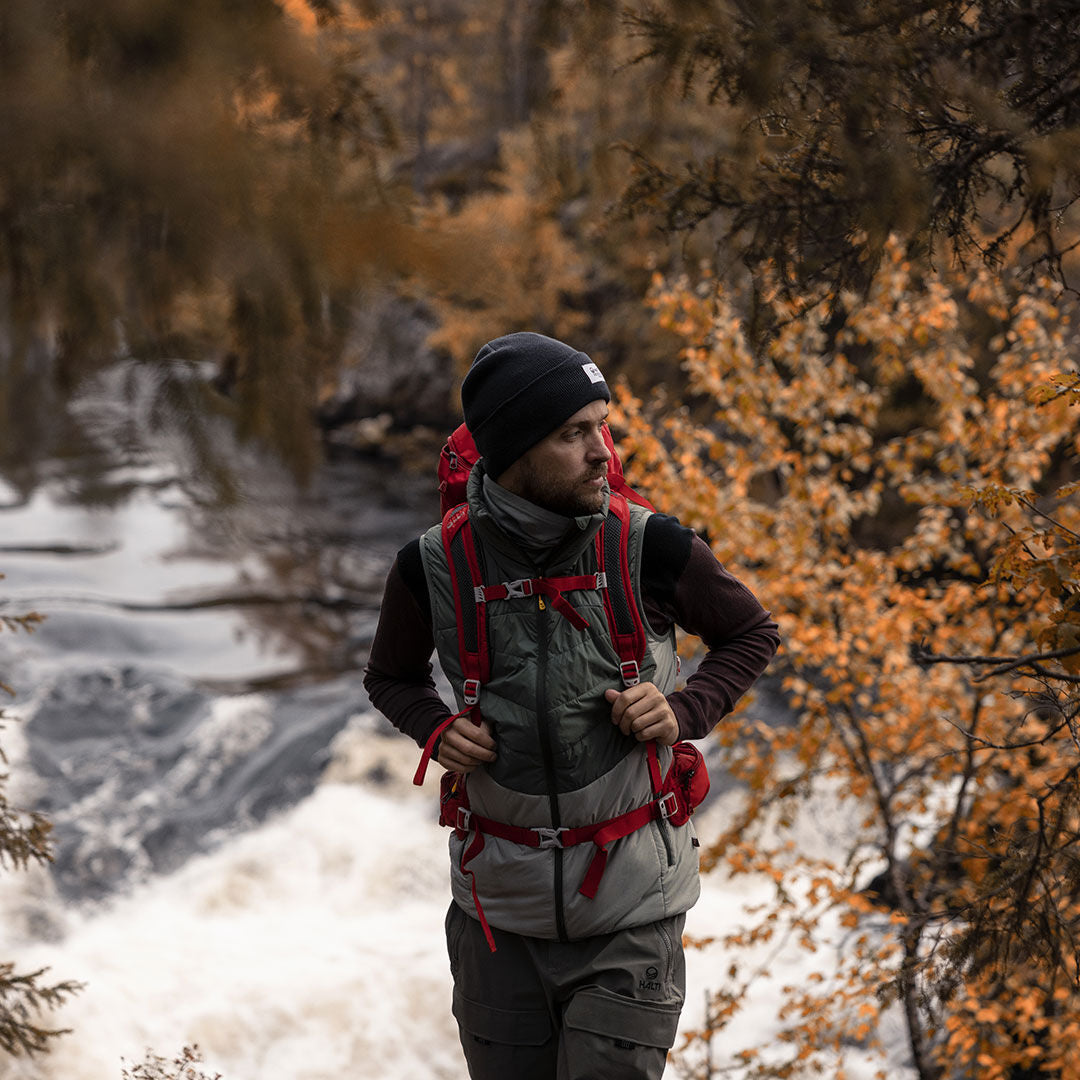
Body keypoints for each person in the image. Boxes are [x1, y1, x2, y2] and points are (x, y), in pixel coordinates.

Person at [364, 332, 780, 1079]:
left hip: (632, 914)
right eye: (572, 434)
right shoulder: (430, 565)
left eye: (602, 427)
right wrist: (435, 728)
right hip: (496, 919)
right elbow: (390, 678)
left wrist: (684, 712)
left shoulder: (651, 546)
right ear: (513, 451)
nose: (602, 453)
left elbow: (750, 632)